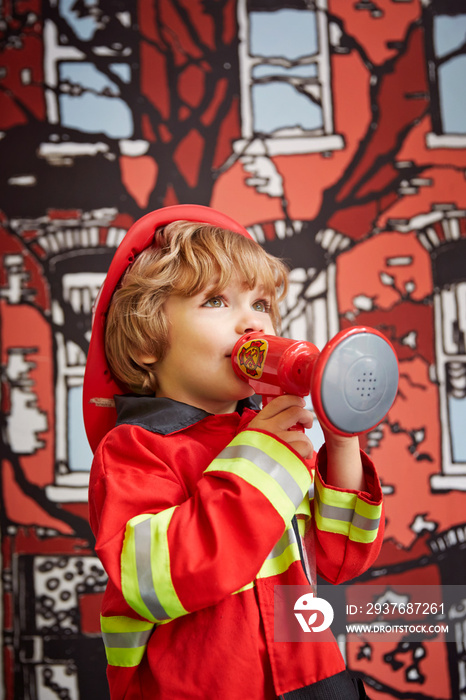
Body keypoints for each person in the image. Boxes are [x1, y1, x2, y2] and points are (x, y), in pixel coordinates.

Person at [83, 205, 383, 700]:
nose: (251, 323)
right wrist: (263, 456)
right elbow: (158, 579)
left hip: (311, 681)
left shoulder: (266, 436)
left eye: (262, 304)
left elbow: (341, 558)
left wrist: (342, 437)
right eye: (217, 301)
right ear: (146, 339)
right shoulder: (136, 450)